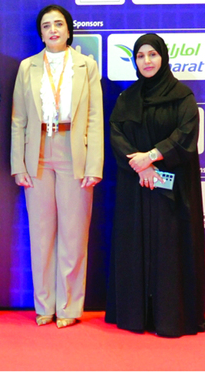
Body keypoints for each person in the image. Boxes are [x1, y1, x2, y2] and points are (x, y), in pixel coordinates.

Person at [106, 33, 205, 337]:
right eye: (140, 56)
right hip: (136, 184)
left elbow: (186, 134)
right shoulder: (127, 98)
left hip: (173, 189)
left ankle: (170, 317)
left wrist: (151, 157)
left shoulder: (182, 96)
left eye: (152, 54)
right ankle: (136, 315)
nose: (146, 61)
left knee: (169, 248)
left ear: (163, 57)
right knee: (135, 245)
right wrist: (141, 166)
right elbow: (116, 133)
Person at [10, 5, 103, 328]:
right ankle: (44, 306)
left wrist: (94, 165)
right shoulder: (27, 67)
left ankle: (68, 307)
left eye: (58, 24)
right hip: (37, 151)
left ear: (68, 30)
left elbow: (94, 118)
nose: (53, 30)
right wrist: (18, 164)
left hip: (73, 151)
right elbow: (18, 120)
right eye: (47, 25)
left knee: (73, 234)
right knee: (41, 234)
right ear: (40, 33)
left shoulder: (86, 66)